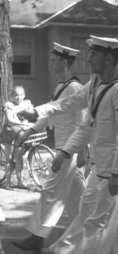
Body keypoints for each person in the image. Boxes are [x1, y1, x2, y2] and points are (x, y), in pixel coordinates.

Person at [29, 35, 118, 254]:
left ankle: (61, 251)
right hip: (102, 168)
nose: (89, 58)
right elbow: (78, 116)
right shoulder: (95, 85)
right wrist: (64, 152)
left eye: (94, 54)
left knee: (92, 220)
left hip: (112, 171)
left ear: (109, 58)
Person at [12, 42, 86, 252]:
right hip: (62, 146)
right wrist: (28, 132)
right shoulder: (60, 87)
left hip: (67, 150)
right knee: (78, 199)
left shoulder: (75, 87)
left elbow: (84, 122)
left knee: (50, 189)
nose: (51, 63)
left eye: (54, 60)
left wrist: (81, 151)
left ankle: (37, 236)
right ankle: (92, 233)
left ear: (64, 62)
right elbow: (50, 113)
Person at [1, 85, 33, 189]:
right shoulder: (9, 105)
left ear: (24, 95)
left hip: (20, 132)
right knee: (9, 158)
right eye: (15, 95)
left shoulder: (25, 104)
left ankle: (20, 182)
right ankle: (8, 183)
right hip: (10, 131)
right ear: (11, 96)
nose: (18, 97)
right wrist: (21, 124)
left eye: (20, 95)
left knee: (19, 159)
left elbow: (33, 114)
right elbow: (10, 119)